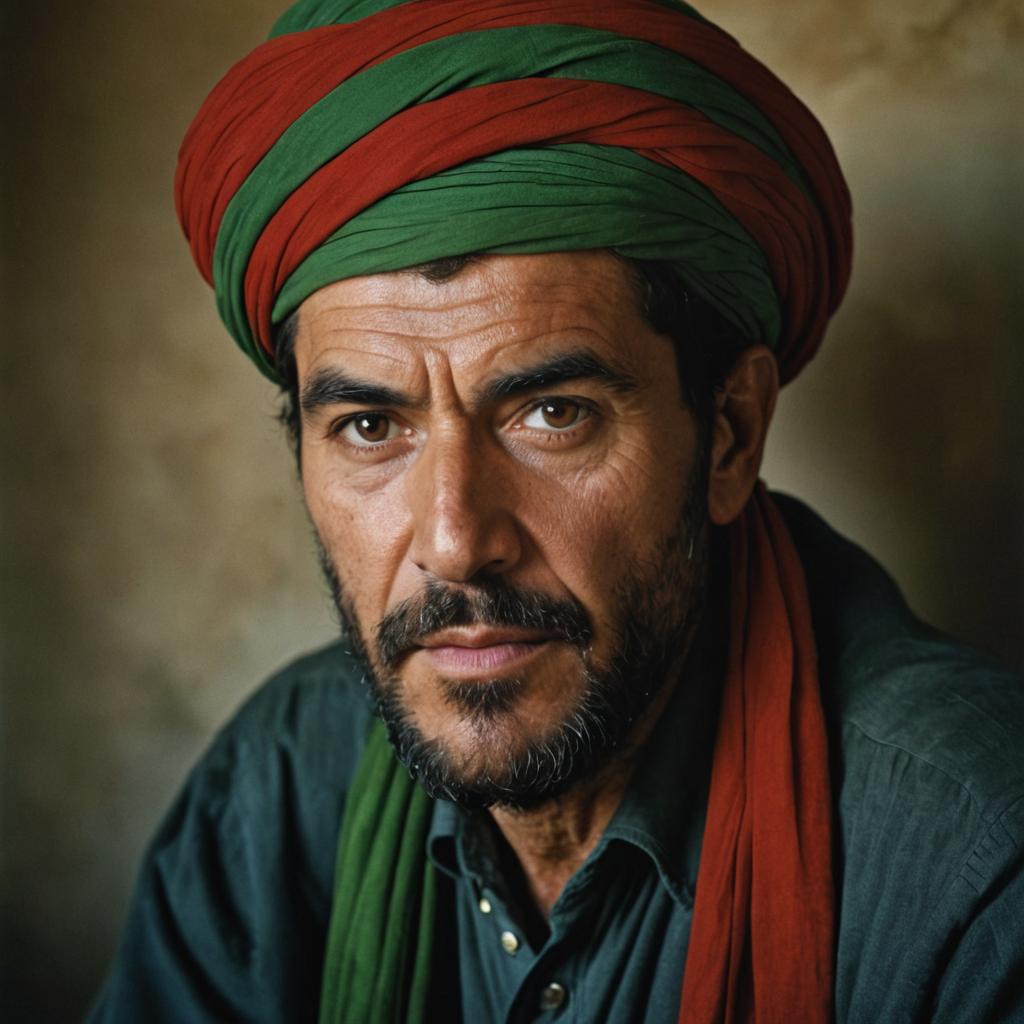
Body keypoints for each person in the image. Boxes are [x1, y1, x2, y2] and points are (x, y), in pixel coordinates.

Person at [90, 1, 1024, 1021]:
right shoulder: (277, 785)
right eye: (369, 426)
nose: (455, 540)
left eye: (551, 413)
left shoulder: (975, 862)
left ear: (728, 433)